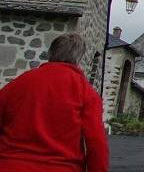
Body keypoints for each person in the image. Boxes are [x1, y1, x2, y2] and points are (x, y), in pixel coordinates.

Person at [0, 33, 108, 172]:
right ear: (78, 59)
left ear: (50, 53)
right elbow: (96, 143)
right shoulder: (86, 93)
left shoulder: (19, 83)